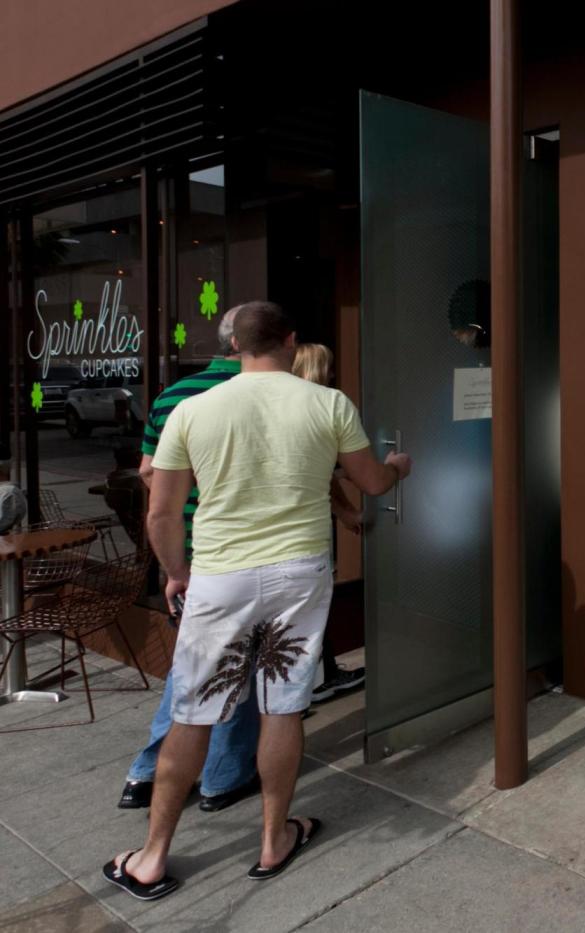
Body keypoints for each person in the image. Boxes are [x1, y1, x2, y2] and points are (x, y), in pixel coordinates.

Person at [104, 301, 411, 900]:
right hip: (300, 570)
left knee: (193, 711)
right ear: (290, 341)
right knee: (283, 705)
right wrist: (397, 466)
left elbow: (161, 512)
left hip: (220, 575)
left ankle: (151, 858)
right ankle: (274, 840)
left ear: (234, 346)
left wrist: (176, 572)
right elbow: (372, 482)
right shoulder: (328, 403)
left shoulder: (193, 409)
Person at [118, 308, 261, 813]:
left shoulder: (172, 397)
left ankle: (147, 774)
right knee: (233, 665)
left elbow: (147, 472)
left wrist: (177, 554)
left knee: (196, 664)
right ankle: (224, 776)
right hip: (241, 548)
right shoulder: (261, 393)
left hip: (193, 546)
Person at [291, 342, 365, 701]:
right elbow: (361, 477)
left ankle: (319, 676)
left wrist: (346, 508)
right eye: (329, 367)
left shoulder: (282, 408)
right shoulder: (326, 405)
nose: (334, 374)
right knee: (309, 609)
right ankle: (315, 682)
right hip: (306, 535)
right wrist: (391, 471)